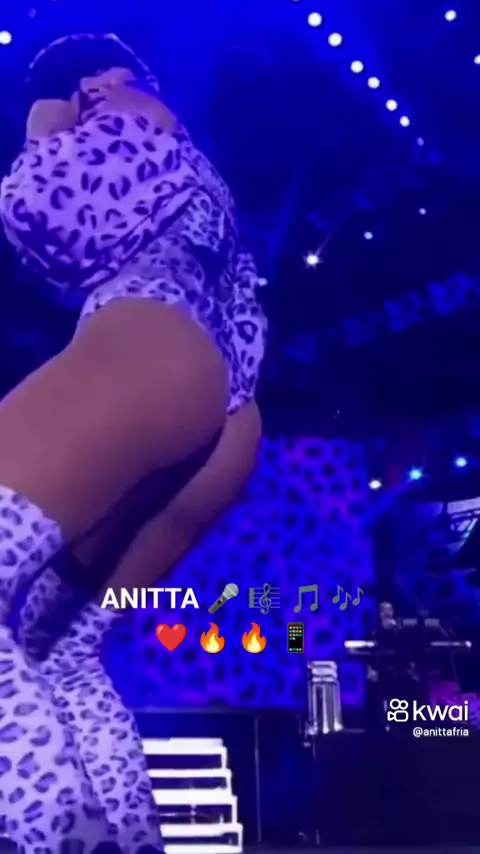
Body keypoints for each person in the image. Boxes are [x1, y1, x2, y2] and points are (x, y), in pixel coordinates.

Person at [0, 32, 267, 854]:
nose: (87, 89)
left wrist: (43, 128)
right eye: (74, 84)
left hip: (150, 350)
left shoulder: (132, 111)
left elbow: (42, 214)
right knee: (63, 656)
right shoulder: (204, 178)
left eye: (100, 75)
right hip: (226, 418)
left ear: (136, 81)